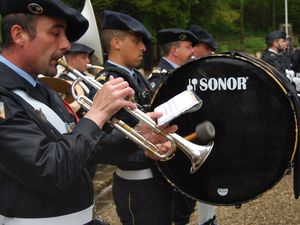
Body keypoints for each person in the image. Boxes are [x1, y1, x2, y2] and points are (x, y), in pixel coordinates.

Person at [0, 1, 176, 225]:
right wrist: (97, 113)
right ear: (19, 35)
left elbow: (87, 151)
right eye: (56, 33)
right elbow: (50, 169)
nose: (66, 44)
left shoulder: (43, 89)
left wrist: (138, 137)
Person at [91, 10, 178, 225]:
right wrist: (153, 148)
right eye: (136, 41)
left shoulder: (136, 75)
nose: (143, 48)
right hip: (137, 182)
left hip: (154, 177)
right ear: (116, 43)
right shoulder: (109, 81)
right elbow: (111, 139)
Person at [148, 28, 200, 225]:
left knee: (185, 208)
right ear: (174, 50)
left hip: (186, 146)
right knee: (177, 211)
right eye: (188, 47)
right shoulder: (160, 78)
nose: (192, 52)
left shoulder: (181, 74)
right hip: (172, 152)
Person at [58, 42, 95, 117]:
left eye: (88, 57)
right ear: (72, 60)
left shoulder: (85, 76)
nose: (88, 61)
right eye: (84, 57)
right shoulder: (64, 80)